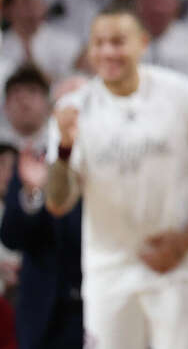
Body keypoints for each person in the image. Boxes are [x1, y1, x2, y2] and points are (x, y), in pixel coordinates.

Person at [42, 6, 188, 349]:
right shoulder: (74, 108)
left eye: (118, 42)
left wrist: (187, 239)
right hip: (110, 270)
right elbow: (58, 204)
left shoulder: (181, 93)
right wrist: (65, 149)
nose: (107, 52)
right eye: (99, 43)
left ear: (142, 43)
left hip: (181, 267)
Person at [0, 75, 85, 349]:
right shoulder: (33, 161)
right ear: (53, 113)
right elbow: (11, 236)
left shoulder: (121, 167)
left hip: (103, 305)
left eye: (83, 105)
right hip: (44, 315)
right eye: (65, 105)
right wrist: (33, 193)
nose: (73, 113)